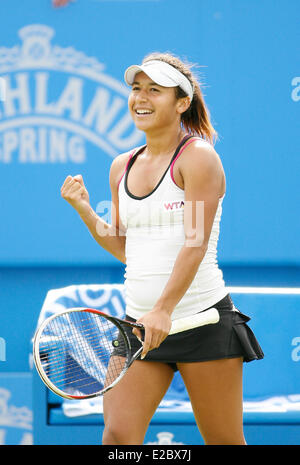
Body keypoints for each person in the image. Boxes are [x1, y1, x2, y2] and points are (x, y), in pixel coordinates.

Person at [60, 52, 264, 445]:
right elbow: (126, 249)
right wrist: (85, 210)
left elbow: (195, 242)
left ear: (182, 102)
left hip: (201, 323)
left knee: (224, 441)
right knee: (118, 437)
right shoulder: (121, 165)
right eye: (136, 89)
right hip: (140, 325)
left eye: (155, 90)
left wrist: (164, 309)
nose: (141, 97)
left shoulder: (199, 158)